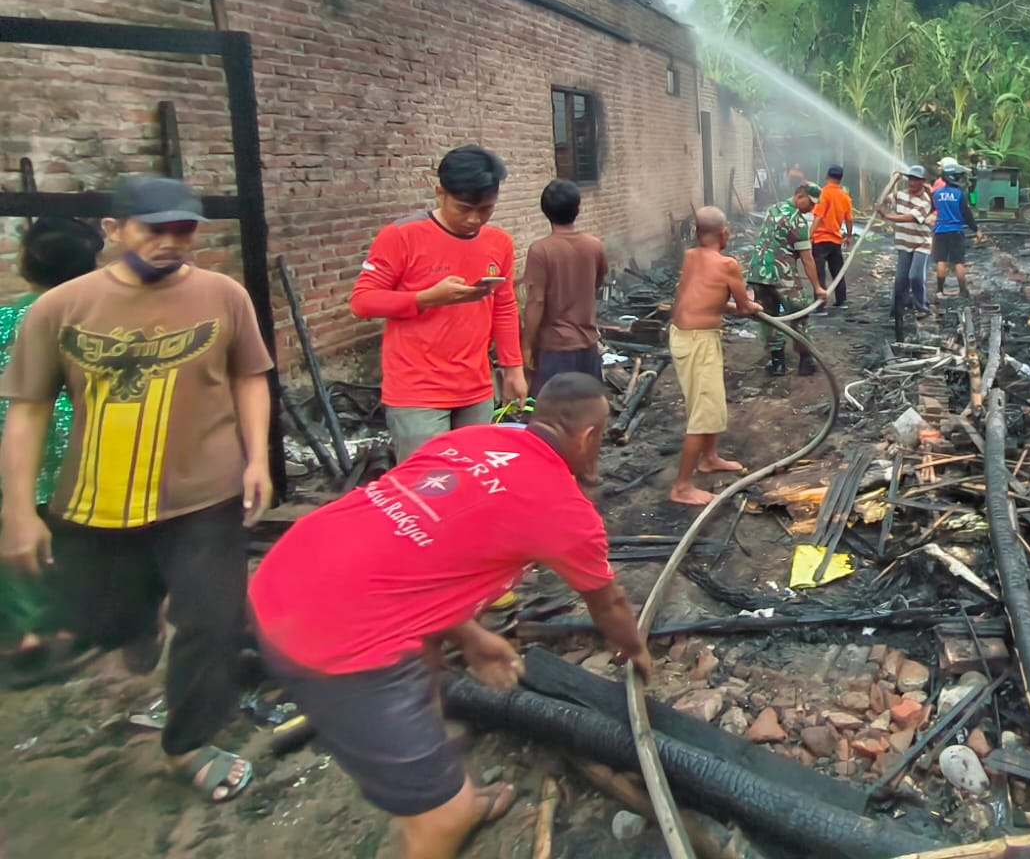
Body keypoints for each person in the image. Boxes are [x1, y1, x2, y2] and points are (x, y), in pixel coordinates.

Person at [250, 374, 652, 859]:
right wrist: (634, 650)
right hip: (334, 633)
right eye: (601, 439)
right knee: (446, 817)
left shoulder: (472, 439)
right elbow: (608, 604)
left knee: (426, 662)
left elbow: (417, 551)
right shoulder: (564, 511)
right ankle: (439, 808)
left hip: (289, 567)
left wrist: (470, 637)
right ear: (588, 437)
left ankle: (429, 775)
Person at [0, 176, 274, 803]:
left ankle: (187, 744)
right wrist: (18, 508)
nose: (172, 242)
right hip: (98, 501)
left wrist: (257, 458)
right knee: (102, 619)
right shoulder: (59, 309)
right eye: (155, 228)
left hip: (205, 494)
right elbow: (29, 409)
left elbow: (250, 377)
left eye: (184, 229)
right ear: (113, 231)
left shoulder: (222, 296)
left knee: (212, 621)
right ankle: (136, 621)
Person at [353, 146, 527, 460]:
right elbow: (363, 301)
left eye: (486, 209)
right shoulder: (402, 236)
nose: (474, 219)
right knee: (431, 486)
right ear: (440, 193)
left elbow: (504, 306)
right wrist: (427, 299)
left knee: (475, 481)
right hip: (417, 392)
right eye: (463, 208)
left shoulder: (498, 243)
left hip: (476, 387)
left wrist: (513, 368)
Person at [0, 217, 103, 665]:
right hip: (74, 443)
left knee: (19, 530)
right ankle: (73, 623)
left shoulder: (8, 318)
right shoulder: (97, 318)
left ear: (25, 266)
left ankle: (26, 633)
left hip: (16, 441)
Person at [668, 208, 761, 506]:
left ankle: (708, 458)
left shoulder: (691, 256)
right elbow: (745, 307)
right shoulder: (728, 264)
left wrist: (739, 307)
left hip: (685, 336)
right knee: (704, 410)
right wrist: (751, 306)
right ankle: (682, 487)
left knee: (710, 401)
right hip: (698, 342)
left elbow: (707, 301)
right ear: (724, 233)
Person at [521, 179, 608, 396]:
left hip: (555, 349)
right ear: (577, 209)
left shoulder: (540, 250)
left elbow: (536, 301)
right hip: (588, 345)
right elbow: (596, 283)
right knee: (587, 410)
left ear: (545, 211)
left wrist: (527, 345)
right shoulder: (594, 246)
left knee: (555, 416)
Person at [747, 184, 826, 377]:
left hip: (758, 273)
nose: (812, 209)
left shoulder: (773, 209)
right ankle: (806, 361)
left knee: (770, 317)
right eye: (811, 203)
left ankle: (777, 364)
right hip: (782, 276)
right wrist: (818, 287)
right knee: (799, 315)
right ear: (800, 196)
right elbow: (807, 259)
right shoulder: (798, 222)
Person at [881, 165, 936, 320]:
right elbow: (885, 198)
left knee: (916, 277)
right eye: (910, 179)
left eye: (916, 180)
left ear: (923, 182)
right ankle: (897, 310)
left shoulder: (926, 201)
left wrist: (887, 216)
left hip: (921, 243)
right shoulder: (901, 195)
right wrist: (893, 182)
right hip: (904, 242)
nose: (912, 182)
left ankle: (923, 307)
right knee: (900, 280)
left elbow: (910, 217)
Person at [810, 164, 854, 311]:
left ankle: (820, 306)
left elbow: (818, 217)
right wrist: (848, 236)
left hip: (821, 240)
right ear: (840, 179)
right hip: (836, 240)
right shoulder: (845, 197)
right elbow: (849, 220)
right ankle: (841, 301)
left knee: (819, 274)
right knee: (837, 271)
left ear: (827, 177)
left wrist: (809, 235)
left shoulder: (823, 194)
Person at [932, 165, 978, 299]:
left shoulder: (936, 194)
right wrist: (976, 229)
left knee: (941, 261)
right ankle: (963, 291)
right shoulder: (959, 194)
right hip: (956, 231)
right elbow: (967, 214)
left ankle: (940, 291)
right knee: (958, 261)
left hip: (940, 231)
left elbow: (932, 209)